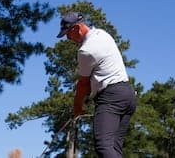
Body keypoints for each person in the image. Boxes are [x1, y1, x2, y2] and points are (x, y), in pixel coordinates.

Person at [57, 12, 137, 157]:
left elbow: (83, 85)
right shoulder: (102, 34)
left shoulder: (85, 50)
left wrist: (77, 107)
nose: (68, 39)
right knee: (114, 147)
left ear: (76, 28)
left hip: (111, 98)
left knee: (103, 145)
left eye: (68, 34)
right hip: (128, 95)